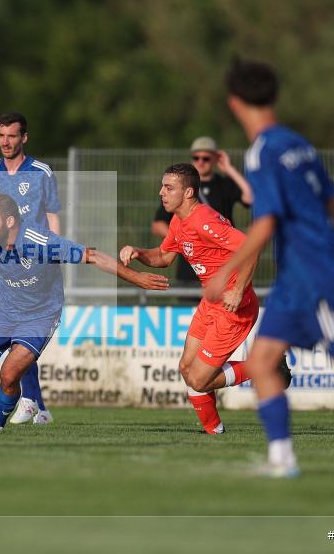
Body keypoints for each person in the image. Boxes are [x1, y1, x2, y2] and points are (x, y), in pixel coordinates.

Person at [206, 57, 334, 476]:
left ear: (235, 104)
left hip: (312, 276)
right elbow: (333, 203)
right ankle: (281, 458)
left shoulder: (262, 152)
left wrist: (227, 271)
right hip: (302, 274)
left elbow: (267, 220)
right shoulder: (299, 144)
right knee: (261, 362)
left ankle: (282, 456)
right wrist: (325, 246)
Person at [0, 194, 168, 431]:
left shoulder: (39, 241)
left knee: (10, 374)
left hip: (39, 316)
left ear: (9, 221)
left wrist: (136, 277)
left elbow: (92, 256)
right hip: (2, 311)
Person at [121, 163, 289, 434]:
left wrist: (237, 289)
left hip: (234, 307)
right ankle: (215, 432)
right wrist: (138, 252)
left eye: (168, 187)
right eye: (162, 186)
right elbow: (163, 258)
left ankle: (264, 367)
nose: (161, 192)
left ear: (188, 192)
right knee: (187, 369)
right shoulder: (179, 221)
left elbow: (251, 246)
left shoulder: (204, 221)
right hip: (211, 303)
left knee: (199, 380)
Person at [0, 112, 60, 426]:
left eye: (12, 136)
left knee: (24, 332)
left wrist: (53, 256)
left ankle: (32, 401)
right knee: (17, 332)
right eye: (1, 135)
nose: (5, 142)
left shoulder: (41, 172)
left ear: (24, 137)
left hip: (35, 265)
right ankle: (35, 403)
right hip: (5, 263)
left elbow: (52, 217)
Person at [150, 136, 253, 291]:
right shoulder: (175, 189)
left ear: (215, 159)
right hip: (190, 266)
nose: (200, 162)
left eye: (206, 158)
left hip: (221, 270)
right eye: (196, 157)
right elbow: (157, 224)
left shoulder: (224, 184)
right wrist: (184, 241)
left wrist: (230, 170)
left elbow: (250, 198)